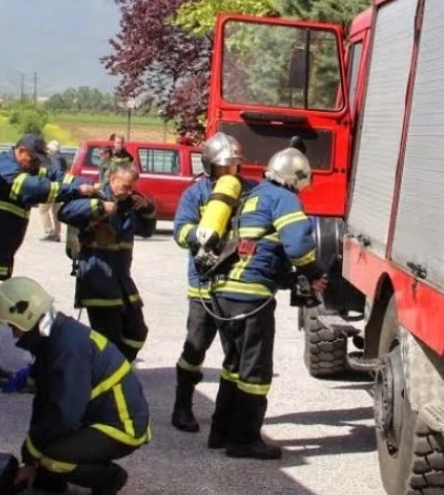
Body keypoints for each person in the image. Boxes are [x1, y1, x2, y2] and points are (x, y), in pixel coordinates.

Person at [203, 147, 326, 459]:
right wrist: (314, 272)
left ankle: (221, 432)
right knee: (255, 371)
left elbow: (258, 247)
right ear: (295, 178)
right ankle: (244, 440)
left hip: (224, 294)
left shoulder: (252, 195)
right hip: (251, 297)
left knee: (233, 365)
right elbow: (298, 244)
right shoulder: (285, 199)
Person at [0, 133, 98, 388]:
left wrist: (83, 183)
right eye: (33, 159)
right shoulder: (6, 168)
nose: (35, 165)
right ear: (20, 152)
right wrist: (74, 190)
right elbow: (33, 188)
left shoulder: (25, 167)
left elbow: (52, 177)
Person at [0, 277, 149, 495]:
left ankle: (110, 478)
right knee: (46, 447)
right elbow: (45, 402)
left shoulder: (67, 348)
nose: (14, 334)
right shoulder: (55, 339)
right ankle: (50, 477)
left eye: (12, 326)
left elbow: (65, 413)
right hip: (99, 418)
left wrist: (34, 451)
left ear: (26, 317)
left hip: (121, 425)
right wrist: (30, 459)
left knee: (54, 457)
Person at [169, 133, 256, 433]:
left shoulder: (251, 191)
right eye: (223, 167)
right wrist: (201, 237)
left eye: (234, 166)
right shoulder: (196, 194)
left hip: (236, 285)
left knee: (234, 354)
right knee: (195, 349)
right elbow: (180, 231)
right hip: (203, 287)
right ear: (209, 166)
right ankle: (182, 407)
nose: (229, 173)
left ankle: (226, 414)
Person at [59, 161, 157, 361]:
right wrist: (100, 207)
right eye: (125, 186)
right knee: (108, 339)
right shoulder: (95, 196)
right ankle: (106, 376)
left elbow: (147, 230)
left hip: (122, 280)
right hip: (98, 280)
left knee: (137, 332)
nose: (129, 192)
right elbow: (65, 212)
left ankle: (116, 369)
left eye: (132, 187)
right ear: (112, 179)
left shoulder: (130, 202)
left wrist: (146, 207)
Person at [38, 139, 70, 242]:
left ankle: (49, 232)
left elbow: (54, 172)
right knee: (55, 211)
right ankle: (57, 234)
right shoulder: (62, 159)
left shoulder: (53, 159)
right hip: (60, 188)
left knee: (43, 210)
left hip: (51, 188)